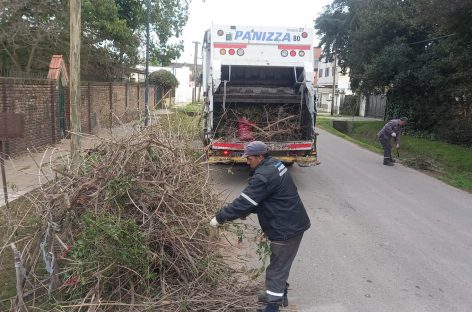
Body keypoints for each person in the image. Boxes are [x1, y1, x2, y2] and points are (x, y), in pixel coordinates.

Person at [210, 141, 310, 312]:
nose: (247, 161)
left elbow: (245, 201)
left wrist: (219, 218)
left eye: (249, 158)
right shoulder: (275, 164)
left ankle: (272, 307)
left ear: (260, 156)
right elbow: (265, 197)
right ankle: (279, 295)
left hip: (285, 228)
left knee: (277, 268)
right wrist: (248, 209)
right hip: (291, 223)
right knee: (281, 263)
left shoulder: (264, 176)